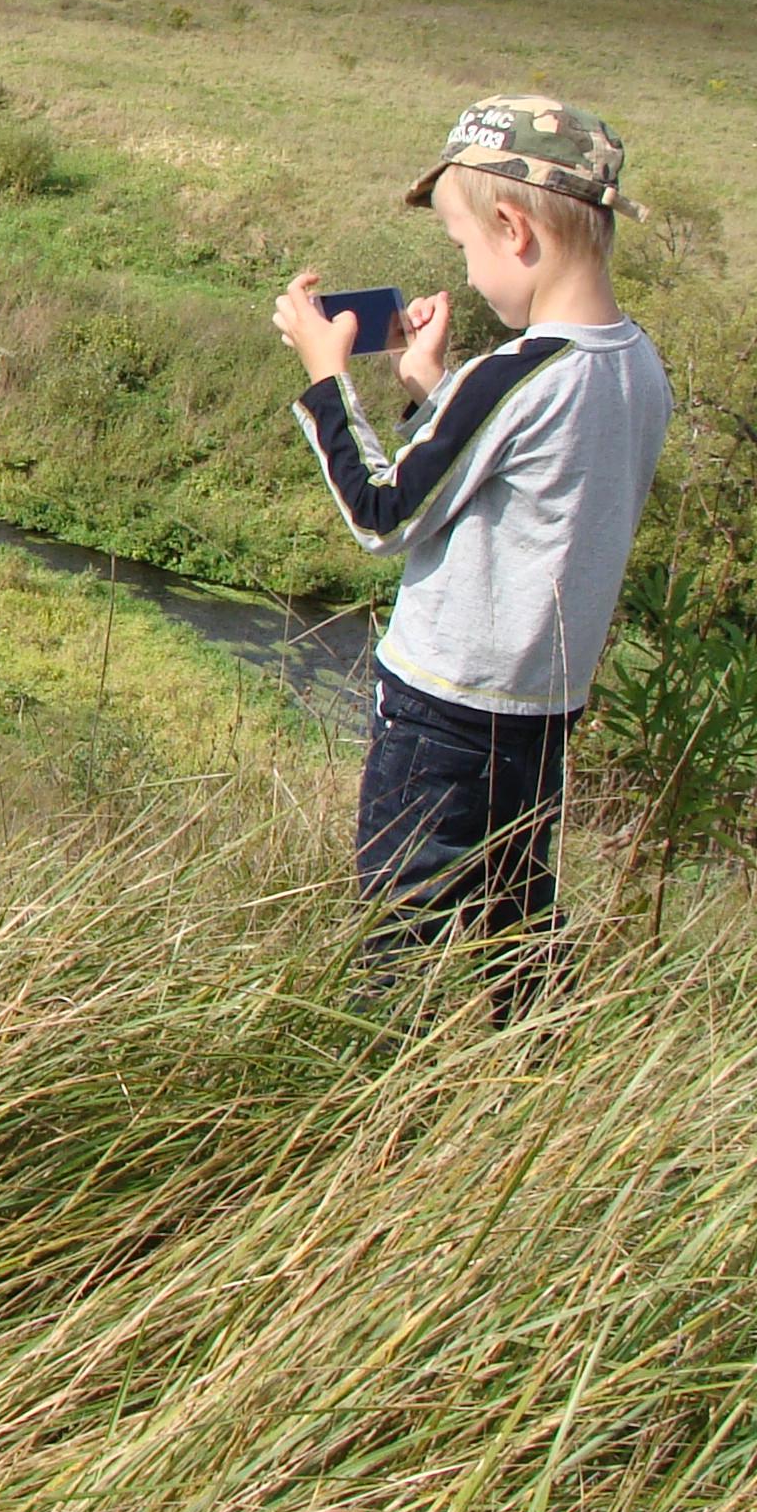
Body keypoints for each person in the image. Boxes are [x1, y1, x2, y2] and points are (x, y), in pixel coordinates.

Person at [270, 97, 670, 1020]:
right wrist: (431, 390)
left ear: (513, 229)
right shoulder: (635, 365)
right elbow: (526, 492)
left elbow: (382, 515)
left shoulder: (517, 372)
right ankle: (538, 1086)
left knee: (396, 940)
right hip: (542, 713)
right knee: (515, 921)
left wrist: (329, 376)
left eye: (462, 244)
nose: (465, 266)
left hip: (442, 715)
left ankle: (371, 1096)